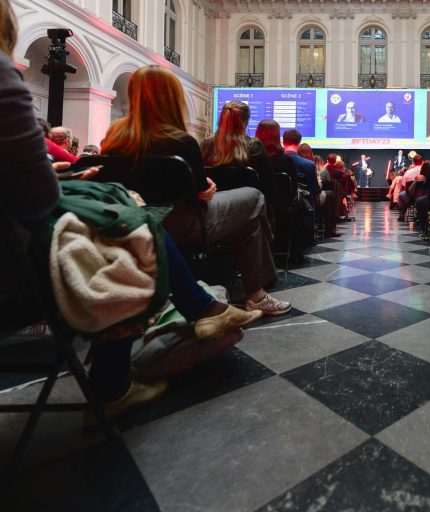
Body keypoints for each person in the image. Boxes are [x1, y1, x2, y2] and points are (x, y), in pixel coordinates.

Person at [0, 2, 261, 420]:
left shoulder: (117, 137)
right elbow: (37, 200)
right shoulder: (184, 143)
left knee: (135, 212)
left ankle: (206, 308)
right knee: (135, 222)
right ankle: (223, 303)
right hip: (22, 257)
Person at [101, 66, 290, 316]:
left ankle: (256, 294)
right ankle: (257, 294)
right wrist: (208, 187)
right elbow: (200, 194)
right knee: (254, 198)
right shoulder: (180, 141)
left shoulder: (113, 138)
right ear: (172, 98)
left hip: (129, 224)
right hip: (182, 224)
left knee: (249, 224)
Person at [200, 100, 274, 201]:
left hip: (212, 212)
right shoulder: (255, 147)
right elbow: (268, 189)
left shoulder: (205, 146)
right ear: (245, 123)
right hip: (248, 213)